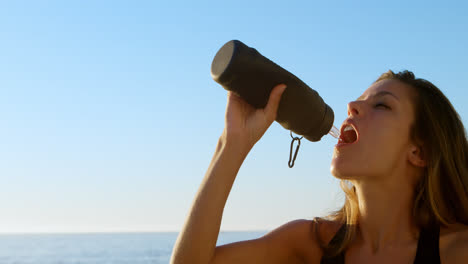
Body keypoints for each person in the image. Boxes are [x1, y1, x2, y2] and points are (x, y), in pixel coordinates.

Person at [170, 70, 468, 264]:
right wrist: (232, 143)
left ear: (419, 152)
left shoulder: (457, 251)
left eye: (382, 105)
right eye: (359, 100)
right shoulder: (309, 242)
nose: (351, 106)